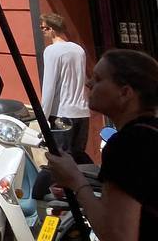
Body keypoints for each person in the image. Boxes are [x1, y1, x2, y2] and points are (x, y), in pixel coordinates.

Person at [47, 49, 158, 241]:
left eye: (98, 79)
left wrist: (75, 181)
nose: (89, 84)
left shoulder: (127, 145)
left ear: (124, 92)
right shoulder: (149, 133)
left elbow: (117, 236)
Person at [40, 12, 91, 163]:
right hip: (82, 113)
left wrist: (43, 116)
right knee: (78, 157)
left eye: (43, 28)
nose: (42, 31)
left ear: (52, 29)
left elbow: (49, 86)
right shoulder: (78, 50)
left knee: (61, 160)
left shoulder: (51, 51)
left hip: (62, 113)